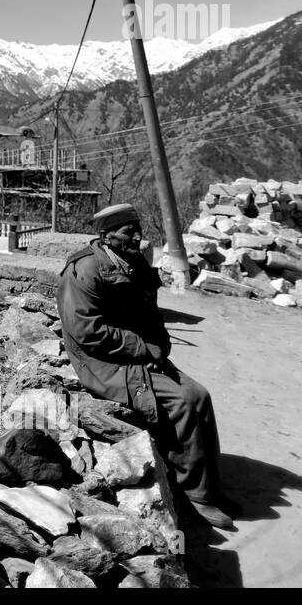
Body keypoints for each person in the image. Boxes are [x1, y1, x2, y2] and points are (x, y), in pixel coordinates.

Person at [56, 202, 240, 530]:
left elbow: (149, 312)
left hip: (136, 356)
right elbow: (86, 332)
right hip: (102, 363)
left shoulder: (133, 262)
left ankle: (209, 485)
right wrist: (143, 348)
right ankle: (194, 494)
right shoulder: (83, 270)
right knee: (183, 403)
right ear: (106, 235)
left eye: (137, 230)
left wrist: (161, 341)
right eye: (128, 232)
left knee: (201, 395)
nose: (137, 237)